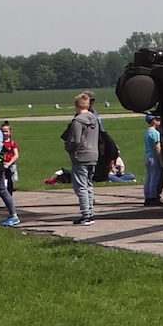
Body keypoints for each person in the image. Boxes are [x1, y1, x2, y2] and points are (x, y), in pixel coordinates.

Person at [63, 93, 100, 226]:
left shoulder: (78, 121)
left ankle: (86, 214)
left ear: (76, 105)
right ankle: (90, 212)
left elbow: (75, 140)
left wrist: (68, 147)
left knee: (81, 186)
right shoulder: (95, 119)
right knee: (88, 184)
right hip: (93, 154)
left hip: (81, 155)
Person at [142, 114, 163, 206]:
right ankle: (153, 197)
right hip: (153, 156)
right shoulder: (155, 133)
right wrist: (161, 160)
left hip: (147, 155)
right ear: (153, 121)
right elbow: (157, 147)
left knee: (148, 177)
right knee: (154, 177)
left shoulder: (146, 132)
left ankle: (147, 197)